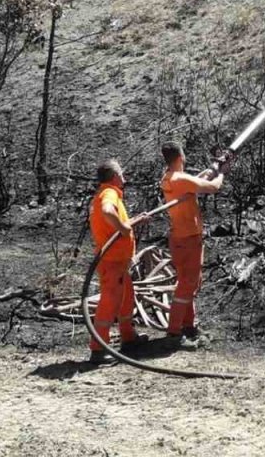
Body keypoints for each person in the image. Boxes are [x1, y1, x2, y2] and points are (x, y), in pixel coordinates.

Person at [159, 142, 223, 348]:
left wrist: (213, 168)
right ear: (180, 156)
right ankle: (174, 332)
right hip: (187, 239)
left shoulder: (170, 178)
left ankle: (188, 326)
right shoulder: (179, 179)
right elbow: (213, 187)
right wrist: (222, 172)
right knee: (187, 284)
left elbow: (195, 182)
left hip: (181, 238)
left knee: (189, 284)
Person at [88, 159, 146, 364]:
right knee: (109, 303)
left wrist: (133, 221)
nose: (124, 177)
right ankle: (98, 349)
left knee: (126, 298)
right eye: (121, 174)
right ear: (114, 177)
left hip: (117, 262)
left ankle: (128, 338)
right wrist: (123, 228)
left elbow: (112, 220)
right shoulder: (109, 194)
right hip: (111, 262)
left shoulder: (105, 194)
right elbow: (107, 211)